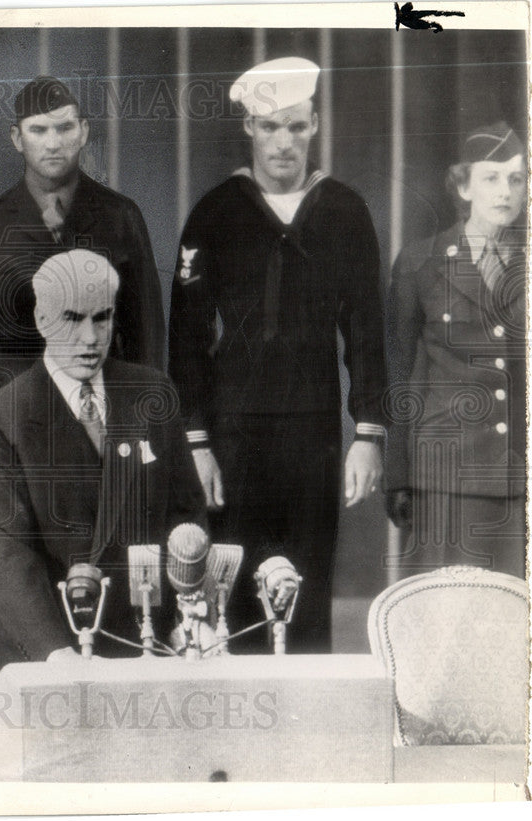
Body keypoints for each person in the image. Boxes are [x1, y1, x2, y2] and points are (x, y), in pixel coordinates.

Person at [167, 57, 387, 652]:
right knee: (232, 587)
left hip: (313, 430)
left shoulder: (344, 210)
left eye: (296, 126)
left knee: (305, 584)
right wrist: (197, 443)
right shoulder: (216, 211)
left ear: (315, 126)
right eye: (269, 127)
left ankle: (305, 724)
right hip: (232, 433)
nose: (283, 142)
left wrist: (367, 432)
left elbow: (367, 328)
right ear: (249, 130)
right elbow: (185, 337)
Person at [0, 75, 166, 527]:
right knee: (16, 582)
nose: (53, 143)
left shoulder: (121, 217)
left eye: (64, 128)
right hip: (11, 432)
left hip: (97, 428)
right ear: (16, 138)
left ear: (83, 132)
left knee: (104, 575)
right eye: (38, 130)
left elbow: (148, 341)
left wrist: (145, 439)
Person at [0, 250, 207, 668]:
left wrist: (182, 617)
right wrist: (57, 654)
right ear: (42, 320)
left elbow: (185, 517)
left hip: (145, 638)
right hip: (49, 647)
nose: (90, 338)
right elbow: (8, 555)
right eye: (72, 318)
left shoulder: (154, 393)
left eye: (102, 317)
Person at [385, 122, 527, 579]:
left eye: (517, 178)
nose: (505, 191)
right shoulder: (420, 263)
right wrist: (399, 476)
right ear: (463, 185)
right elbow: (400, 375)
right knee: (447, 623)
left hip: (518, 473)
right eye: (490, 178)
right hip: (446, 478)